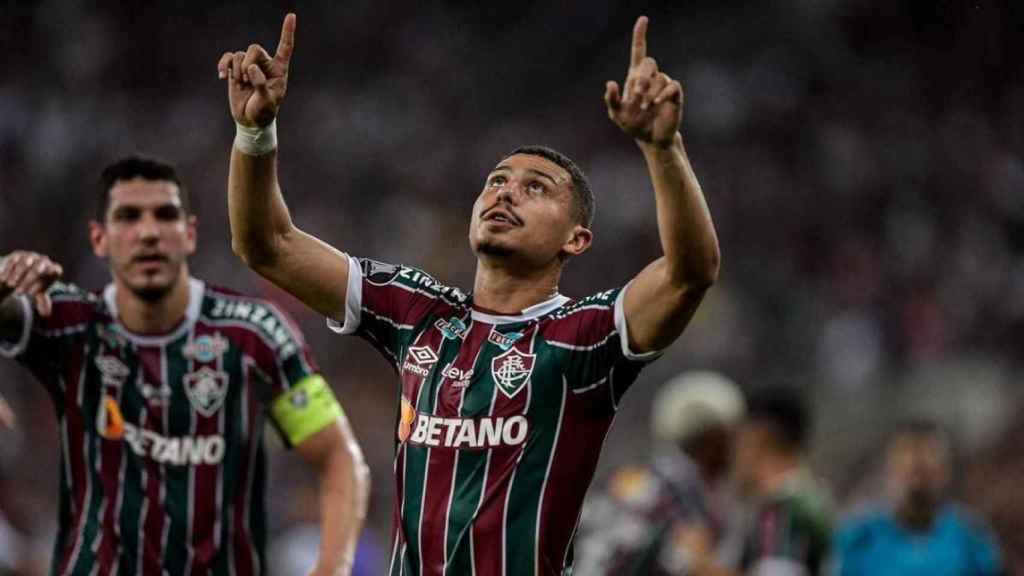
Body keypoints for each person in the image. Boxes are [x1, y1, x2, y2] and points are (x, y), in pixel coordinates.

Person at [218, 12, 719, 576]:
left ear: (576, 239)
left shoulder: (584, 335)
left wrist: (663, 148)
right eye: (497, 181)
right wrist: (254, 133)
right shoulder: (418, 312)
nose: (506, 194)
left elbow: (689, 272)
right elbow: (267, 244)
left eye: (536, 188)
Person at [0, 156, 370, 576]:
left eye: (165, 215)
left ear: (190, 233)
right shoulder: (67, 322)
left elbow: (339, 457)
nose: (149, 232)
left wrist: (334, 568)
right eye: (128, 217)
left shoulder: (253, 336)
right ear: (98, 238)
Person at [574, 371, 745, 575]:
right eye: (730, 436)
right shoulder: (681, 488)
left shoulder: (635, 478)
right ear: (712, 439)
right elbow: (692, 564)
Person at [676, 386, 832, 576]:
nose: (730, 456)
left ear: (757, 439)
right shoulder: (806, 499)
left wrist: (701, 564)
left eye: (736, 442)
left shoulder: (784, 509)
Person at [832, 418, 1005, 576]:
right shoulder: (858, 539)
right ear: (889, 471)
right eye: (909, 471)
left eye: (925, 472)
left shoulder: (971, 539)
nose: (916, 482)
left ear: (945, 472)